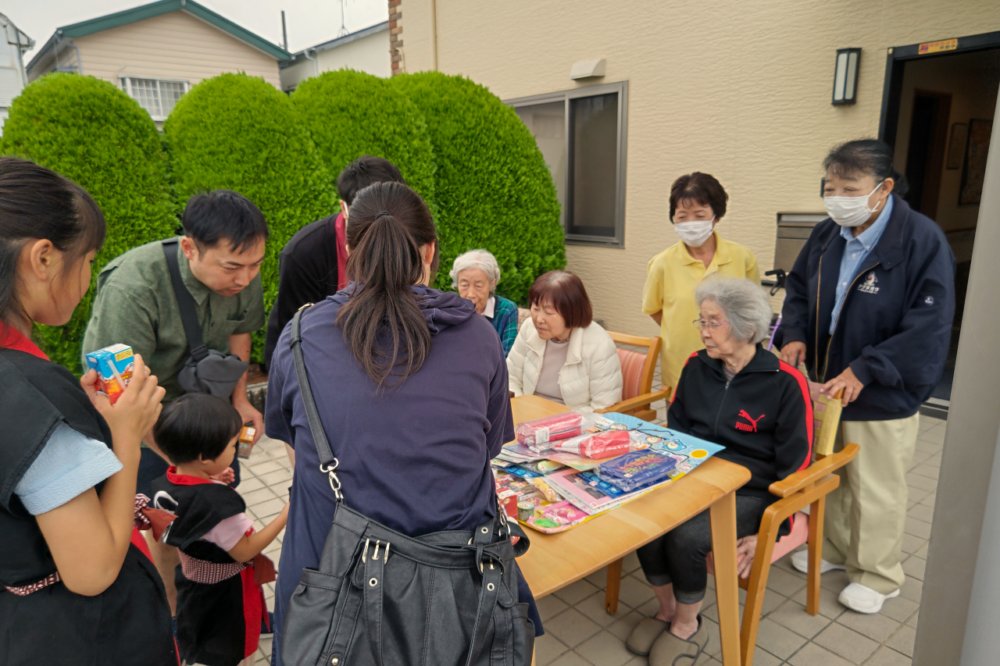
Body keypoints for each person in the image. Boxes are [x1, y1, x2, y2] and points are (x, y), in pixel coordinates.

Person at [265, 181, 542, 665]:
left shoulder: (301, 337)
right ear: (432, 251)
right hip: (460, 590)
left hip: (329, 589)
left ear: (350, 250)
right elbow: (487, 447)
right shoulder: (478, 338)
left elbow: (297, 444)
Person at [0, 157, 176, 665]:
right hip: (81, 637)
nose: (90, 276)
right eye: (90, 258)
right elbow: (93, 569)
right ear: (43, 259)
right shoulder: (30, 392)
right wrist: (126, 432)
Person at [779, 139, 955, 614]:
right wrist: (792, 334)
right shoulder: (826, 233)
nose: (838, 197)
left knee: (875, 486)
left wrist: (868, 368)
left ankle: (878, 575)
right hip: (827, 385)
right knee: (830, 474)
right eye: (830, 187)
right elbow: (798, 289)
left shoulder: (921, 239)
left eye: (850, 187)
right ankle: (834, 551)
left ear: (883, 189)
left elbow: (929, 325)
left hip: (882, 389)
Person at [83, 189, 269, 618]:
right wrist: (181, 465)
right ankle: (174, 615)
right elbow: (120, 392)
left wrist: (239, 401)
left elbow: (241, 331)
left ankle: (228, 604)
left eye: (255, 265)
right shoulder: (134, 287)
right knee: (170, 526)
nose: (245, 278)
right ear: (189, 248)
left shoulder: (243, 269)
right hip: (148, 421)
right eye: (232, 267)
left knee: (220, 515)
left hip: (208, 414)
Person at [626, 278, 812, 665]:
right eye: (702, 321)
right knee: (644, 523)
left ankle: (687, 624)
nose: (704, 331)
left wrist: (771, 530)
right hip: (693, 477)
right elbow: (676, 428)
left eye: (714, 322)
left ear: (746, 327)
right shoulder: (697, 366)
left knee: (686, 537)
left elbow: (797, 466)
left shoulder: (786, 383)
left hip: (751, 490)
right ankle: (666, 608)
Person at [151, 394, 289, 666]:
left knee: (202, 638)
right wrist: (286, 514)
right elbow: (245, 550)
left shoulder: (163, 483)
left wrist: (210, 479)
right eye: (232, 444)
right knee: (232, 650)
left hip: (193, 584)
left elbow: (190, 504)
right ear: (203, 457)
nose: (236, 449)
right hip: (226, 594)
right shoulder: (218, 508)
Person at [264, 155, 407, 369]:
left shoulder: (412, 240)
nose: (379, 229)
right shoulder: (304, 253)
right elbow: (296, 335)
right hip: (312, 359)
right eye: (367, 216)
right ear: (344, 208)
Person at [641, 172, 760, 396]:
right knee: (681, 425)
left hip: (733, 361)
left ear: (716, 216)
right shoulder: (662, 263)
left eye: (699, 215)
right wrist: (690, 329)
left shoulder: (742, 257)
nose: (690, 223)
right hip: (681, 361)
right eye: (682, 216)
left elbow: (753, 310)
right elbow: (654, 309)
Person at [507, 270, 623, 412]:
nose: (539, 319)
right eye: (535, 308)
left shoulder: (599, 345)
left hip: (574, 424)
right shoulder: (529, 328)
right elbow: (509, 378)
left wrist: (560, 423)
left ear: (571, 312)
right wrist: (522, 408)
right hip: (528, 414)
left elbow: (603, 407)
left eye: (549, 313)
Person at [450, 248, 519, 355]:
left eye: (478, 286)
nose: (471, 294)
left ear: (492, 284)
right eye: (464, 285)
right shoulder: (450, 309)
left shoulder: (506, 310)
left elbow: (508, 355)